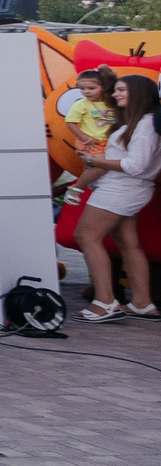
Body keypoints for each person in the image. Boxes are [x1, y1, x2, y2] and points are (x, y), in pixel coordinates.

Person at [74, 72, 157, 322]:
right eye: (115, 90)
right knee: (127, 242)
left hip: (122, 188)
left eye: (122, 90)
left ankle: (106, 302)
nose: (115, 94)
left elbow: (136, 165)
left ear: (139, 93)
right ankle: (142, 303)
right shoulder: (141, 122)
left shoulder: (145, 125)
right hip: (127, 188)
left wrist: (97, 161)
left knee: (86, 236)